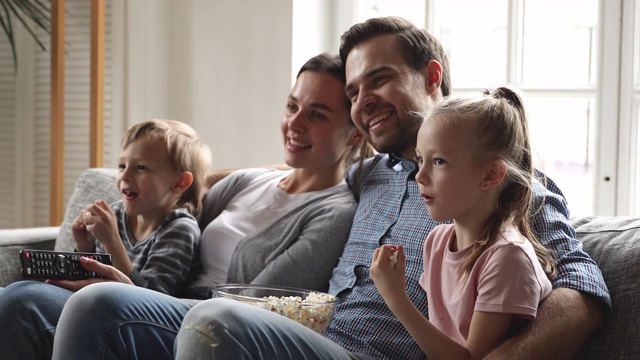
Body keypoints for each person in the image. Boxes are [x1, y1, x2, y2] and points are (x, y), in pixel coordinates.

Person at [171, 16, 610, 359]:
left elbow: (583, 286)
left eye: (379, 80)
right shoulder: (369, 173)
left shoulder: (503, 183)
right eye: (354, 92)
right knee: (108, 302)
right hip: (311, 338)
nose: (363, 103)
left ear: (432, 77)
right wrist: (184, 177)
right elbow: (302, 169)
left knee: (219, 318)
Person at [0, 52, 370, 359]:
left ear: (355, 130)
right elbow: (174, 198)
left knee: (99, 303)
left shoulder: (334, 213)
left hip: (206, 323)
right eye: (292, 106)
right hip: (159, 302)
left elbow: (256, 309)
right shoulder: (248, 180)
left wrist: (131, 288)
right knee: (18, 300)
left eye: (317, 115)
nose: (294, 123)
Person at [370, 87, 555, 359]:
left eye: (439, 161)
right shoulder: (437, 241)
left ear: (490, 175)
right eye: (420, 160)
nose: (419, 176)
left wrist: (397, 299)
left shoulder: (507, 257)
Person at [69, 118, 211, 295]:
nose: (125, 176)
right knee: (27, 291)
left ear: (179, 183)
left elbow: (148, 299)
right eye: (122, 166)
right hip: (95, 300)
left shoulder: (180, 229)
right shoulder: (117, 214)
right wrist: (84, 247)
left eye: (141, 167)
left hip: (135, 316)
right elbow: (91, 279)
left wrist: (112, 241)